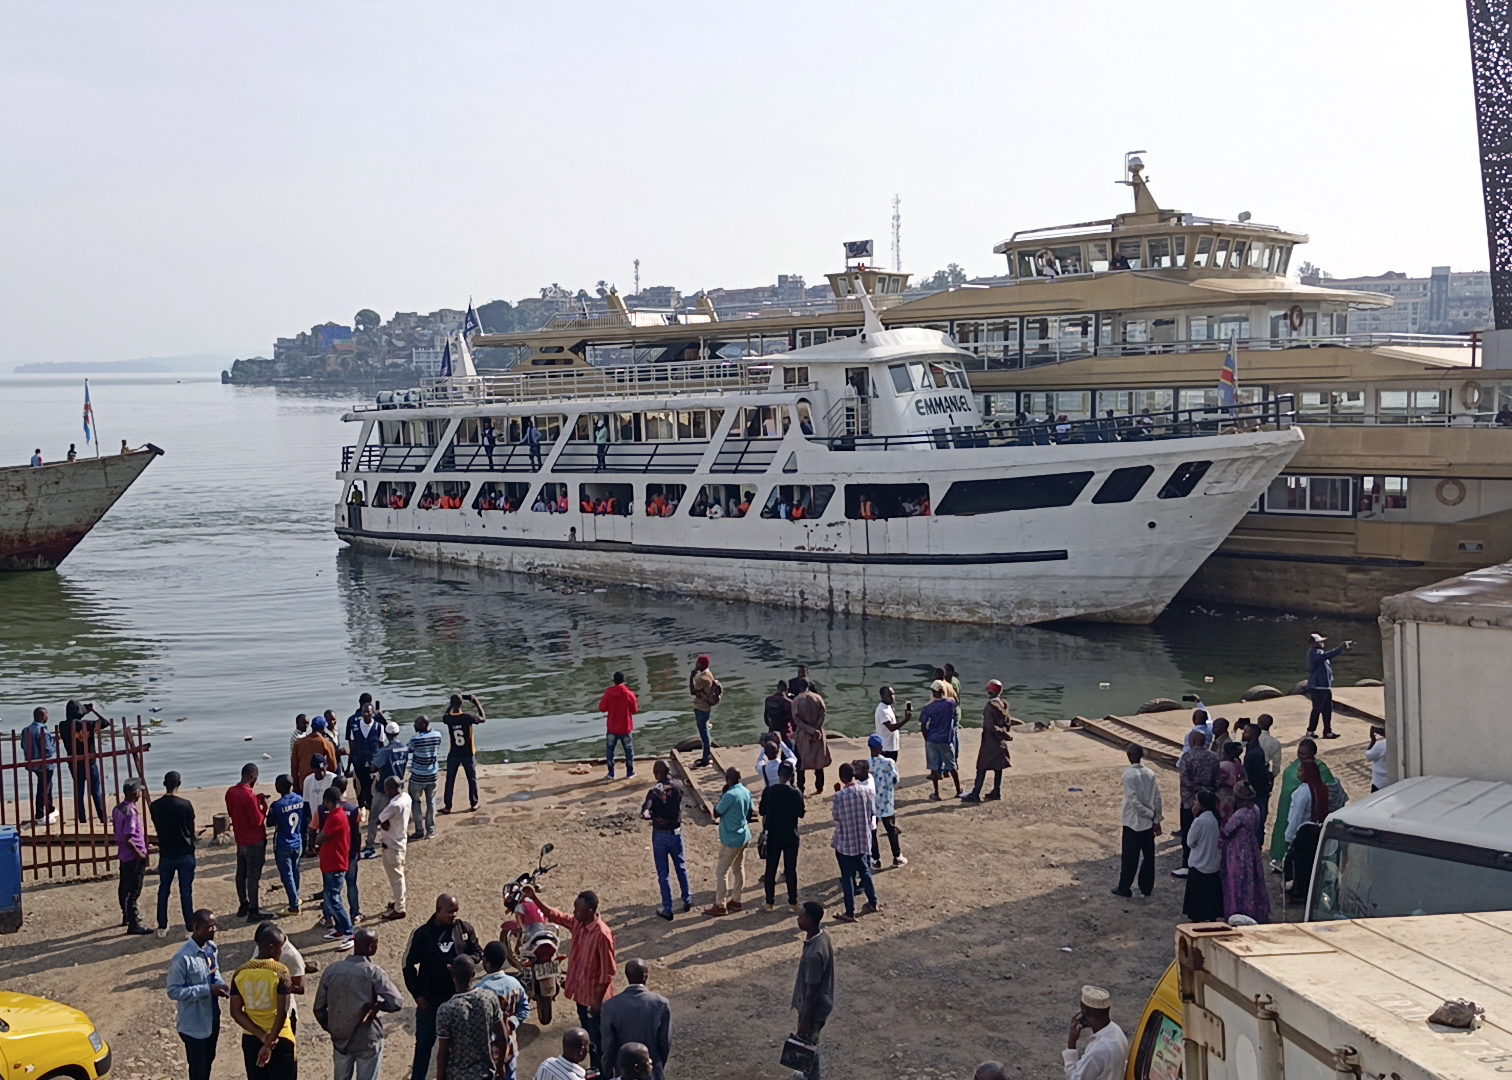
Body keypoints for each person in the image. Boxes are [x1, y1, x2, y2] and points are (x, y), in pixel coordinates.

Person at [525, 883, 617, 1075]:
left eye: (578, 910)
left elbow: (608, 972)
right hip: (581, 996)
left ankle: (602, 1072)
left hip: (594, 1001)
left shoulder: (602, 934)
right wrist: (534, 898)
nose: (574, 913)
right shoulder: (578, 923)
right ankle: (595, 1070)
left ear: (590, 911)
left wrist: (598, 1002)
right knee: (588, 1036)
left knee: (597, 1042)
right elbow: (555, 915)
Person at [404, 894, 484, 1080]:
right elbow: (408, 965)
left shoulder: (464, 929)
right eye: (450, 912)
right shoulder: (423, 934)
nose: (454, 915)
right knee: (424, 1045)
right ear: (438, 910)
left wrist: (464, 963)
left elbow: (477, 952)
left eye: (456, 911)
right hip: (430, 1002)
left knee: (458, 1046)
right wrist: (417, 995)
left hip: (457, 1001)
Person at [314, 927, 404, 1080]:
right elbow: (396, 1002)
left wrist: (332, 1027)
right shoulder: (373, 972)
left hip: (340, 1039)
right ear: (371, 947)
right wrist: (379, 1006)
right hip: (367, 1039)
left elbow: (318, 1008)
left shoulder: (331, 970)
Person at [168, 909, 229, 1080]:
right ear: (196, 928)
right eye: (210, 927)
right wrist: (207, 989)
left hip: (211, 1017)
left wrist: (221, 985)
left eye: (215, 925)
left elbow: (214, 972)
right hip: (193, 1024)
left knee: (209, 1060)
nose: (214, 929)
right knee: (197, 1068)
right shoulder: (183, 958)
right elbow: (173, 991)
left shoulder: (211, 948)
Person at [230, 923, 295, 1080]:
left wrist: (261, 1036)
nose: (281, 952)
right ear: (272, 947)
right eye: (281, 948)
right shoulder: (281, 972)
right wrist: (268, 1043)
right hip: (280, 1037)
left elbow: (235, 1011)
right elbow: (282, 1012)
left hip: (251, 1038)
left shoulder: (239, 973)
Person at [435, 955, 509, 1080]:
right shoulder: (489, 998)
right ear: (473, 974)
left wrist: (440, 1077)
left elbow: (443, 1054)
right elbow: (503, 1035)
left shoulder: (446, 1010)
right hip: (486, 1073)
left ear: (453, 976)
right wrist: (501, 1065)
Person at [1268, 737, 1337, 867]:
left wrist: (1289, 838)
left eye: (1304, 753)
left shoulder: (1317, 773)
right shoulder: (1295, 768)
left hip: (1305, 825)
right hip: (1288, 810)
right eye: (1299, 752)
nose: (1300, 756)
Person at [599, 959, 671, 1080]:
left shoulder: (610, 1006)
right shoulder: (661, 1003)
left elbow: (608, 1045)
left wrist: (607, 1071)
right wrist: (657, 1065)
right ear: (646, 976)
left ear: (627, 977)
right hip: (652, 1072)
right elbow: (665, 1043)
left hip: (624, 1072)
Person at [639, 761, 692, 921]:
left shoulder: (654, 791)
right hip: (676, 832)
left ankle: (667, 908)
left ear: (657, 774)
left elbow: (644, 813)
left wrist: (653, 815)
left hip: (660, 835)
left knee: (664, 874)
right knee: (681, 867)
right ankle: (687, 898)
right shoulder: (679, 785)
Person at [830, 762, 879, 923]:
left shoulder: (839, 796)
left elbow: (836, 816)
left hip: (846, 841)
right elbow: (872, 812)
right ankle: (873, 902)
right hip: (863, 838)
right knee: (865, 871)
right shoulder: (867, 792)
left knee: (847, 877)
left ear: (841, 777)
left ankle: (850, 912)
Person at [226, 763, 274, 923]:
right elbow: (258, 820)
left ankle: (243, 904)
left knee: (241, 872)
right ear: (252, 776)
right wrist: (264, 808)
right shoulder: (248, 796)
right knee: (253, 875)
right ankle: (254, 909)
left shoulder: (231, 792)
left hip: (241, 839)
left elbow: (233, 812)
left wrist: (256, 800)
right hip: (254, 840)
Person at [1112, 744, 1162, 899]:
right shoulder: (1150, 773)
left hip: (1133, 822)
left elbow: (1133, 801)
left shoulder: (1128, 775)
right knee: (1148, 857)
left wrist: (1148, 814)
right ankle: (1146, 887)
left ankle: (1124, 887)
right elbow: (1157, 797)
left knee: (1129, 858)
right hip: (1148, 824)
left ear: (1129, 756)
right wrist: (1156, 817)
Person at [791, 901, 834, 1080]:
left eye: (801, 917)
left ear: (810, 921)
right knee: (810, 1044)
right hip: (821, 1004)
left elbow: (811, 992)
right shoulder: (822, 937)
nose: (798, 919)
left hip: (814, 1010)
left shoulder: (814, 953)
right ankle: (806, 1073)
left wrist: (805, 1022)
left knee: (810, 1044)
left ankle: (812, 1076)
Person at [479, 942, 531, 1080]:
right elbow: (525, 1008)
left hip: (489, 1053)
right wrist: (513, 1022)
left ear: (485, 961)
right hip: (510, 1048)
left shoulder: (480, 989)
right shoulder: (514, 984)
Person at [705, 766, 753, 916]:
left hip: (730, 839)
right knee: (739, 868)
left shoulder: (730, 795)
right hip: (743, 835)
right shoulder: (746, 791)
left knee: (721, 872)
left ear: (728, 779)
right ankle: (736, 900)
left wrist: (723, 794)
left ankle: (720, 904)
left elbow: (716, 812)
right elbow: (750, 813)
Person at [1221, 782, 1271, 923]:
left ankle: (1237, 910)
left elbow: (1227, 831)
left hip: (1238, 850)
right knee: (1251, 879)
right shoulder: (1255, 809)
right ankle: (1254, 909)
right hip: (1251, 847)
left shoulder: (1240, 814)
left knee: (1236, 881)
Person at [1173, 730, 1219, 879]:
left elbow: (1185, 779)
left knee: (1188, 833)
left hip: (1189, 801)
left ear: (1192, 742)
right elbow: (1218, 779)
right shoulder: (1214, 757)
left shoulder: (1188, 757)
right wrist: (1207, 789)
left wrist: (1199, 789)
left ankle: (1187, 864)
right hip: (1209, 799)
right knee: (1208, 832)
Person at [760, 761, 805, 911]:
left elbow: (761, 811)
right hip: (791, 834)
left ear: (778, 774)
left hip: (773, 834)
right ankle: (793, 902)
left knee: (770, 868)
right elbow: (801, 813)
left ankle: (769, 902)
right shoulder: (796, 792)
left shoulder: (769, 791)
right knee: (790, 869)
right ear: (791, 776)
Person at [1283, 759, 1330, 901]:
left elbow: (1296, 816)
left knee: (1299, 866)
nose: (1298, 773)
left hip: (1302, 833)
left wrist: (1289, 837)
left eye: (1300, 771)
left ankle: (1299, 891)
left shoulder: (1302, 793)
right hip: (1316, 831)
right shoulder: (1320, 787)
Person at [111, 777, 152, 935]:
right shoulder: (130, 812)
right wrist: (140, 854)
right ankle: (133, 922)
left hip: (123, 855)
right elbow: (128, 837)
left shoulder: (118, 808)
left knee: (124, 886)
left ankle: (127, 915)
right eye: (139, 791)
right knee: (133, 889)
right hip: (132, 856)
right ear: (135, 793)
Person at [316, 787, 356, 948]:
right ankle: (339, 929)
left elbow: (321, 838)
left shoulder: (335, 817)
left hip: (336, 863)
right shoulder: (338, 815)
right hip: (331, 863)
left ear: (327, 801)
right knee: (331, 897)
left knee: (334, 899)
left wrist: (318, 840)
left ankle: (349, 932)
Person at [1063, 985, 1128, 1080]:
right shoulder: (1117, 1031)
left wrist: (1071, 1044)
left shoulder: (1097, 1052)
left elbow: (1074, 1078)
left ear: (1085, 1012)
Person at [962, 679, 1012, 802]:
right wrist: (1004, 734)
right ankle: (996, 791)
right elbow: (1008, 723)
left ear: (990, 692)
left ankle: (976, 793)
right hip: (1001, 742)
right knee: (998, 767)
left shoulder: (990, 707)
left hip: (989, 742)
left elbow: (989, 726)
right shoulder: (1004, 705)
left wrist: (999, 732)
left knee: (982, 767)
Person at [59, 700, 108, 821]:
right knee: (95, 790)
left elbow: (73, 719)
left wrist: (84, 711)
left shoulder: (63, 726)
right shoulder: (87, 725)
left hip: (74, 763)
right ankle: (102, 816)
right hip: (89, 762)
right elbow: (105, 723)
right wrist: (93, 710)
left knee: (79, 791)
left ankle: (82, 818)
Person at [368, 720, 410, 852]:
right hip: (399, 787)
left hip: (385, 788)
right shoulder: (405, 748)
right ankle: (398, 839)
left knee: (374, 816)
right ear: (398, 733)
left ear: (386, 734)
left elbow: (374, 767)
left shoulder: (385, 751)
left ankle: (370, 843)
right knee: (397, 816)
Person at [441, 693, 486, 814]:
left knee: (450, 780)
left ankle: (447, 806)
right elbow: (483, 718)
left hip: (454, 753)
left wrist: (451, 705)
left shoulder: (448, 719)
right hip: (468, 753)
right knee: (471, 779)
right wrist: (476, 701)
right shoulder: (468, 717)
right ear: (462, 704)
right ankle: (474, 803)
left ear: (451, 704)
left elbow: (444, 715)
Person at [1183, 790, 1223, 921]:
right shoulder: (1215, 818)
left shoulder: (1199, 821)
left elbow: (1190, 842)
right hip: (1213, 865)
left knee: (1197, 903)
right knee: (1210, 900)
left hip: (1199, 865)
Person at [268, 774, 305, 917]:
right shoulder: (300, 799)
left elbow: (270, 823)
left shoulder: (278, 805)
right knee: (295, 870)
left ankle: (294, 905)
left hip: (283, 843)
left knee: (287, 875)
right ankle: (296, 896)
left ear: (279, 787)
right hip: (297, 840)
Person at [866, 736, 905, 868]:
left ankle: (875, 860)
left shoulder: (866, 764)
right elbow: (896, 780)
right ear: (881, 748)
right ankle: (897, 857)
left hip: (871, 803)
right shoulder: (889, 763)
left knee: (872, 831)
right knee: (891, 829)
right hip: (887, 802)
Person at [919, 681, 961, 801]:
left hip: (932, 739)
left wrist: (927, 738)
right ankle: (958, 790)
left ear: (933, 692)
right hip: (946, 740)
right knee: (952, 766)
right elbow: (955, 699)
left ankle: (936, 793)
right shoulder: (950, 703)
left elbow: (923, 725)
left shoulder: (928, 707)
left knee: (934, 768)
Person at [1306, 633, 1353, 739]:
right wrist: (1339, 648)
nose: (1323, 643)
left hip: (1325, 687)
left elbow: (1326, 657)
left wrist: (1342, 649)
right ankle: (1310, 731)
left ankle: (1327, 731)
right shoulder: (1314, 653)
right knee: (1317, 709)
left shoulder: (1320, 653)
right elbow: (1326, 656)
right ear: (1314, 643)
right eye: (1320, 642)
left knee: (1327, 709)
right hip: (1317, 687)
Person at [378, 775, 413, 920]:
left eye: (388, 788)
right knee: (399, 875)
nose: (386, 790)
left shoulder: (394, 805)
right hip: (400, 841)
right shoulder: (406, 797)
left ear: (393, 788)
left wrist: (383, 823)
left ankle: (400, 908)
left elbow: (379, 819)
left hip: (392, 845)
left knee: (396, 878)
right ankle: (400, 902)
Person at [20, 706, 57, 826]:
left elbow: (23, 745)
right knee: (43, 789)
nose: (48, 717)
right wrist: (55, 743)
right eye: (46, 715)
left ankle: (50, 809)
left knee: (47, 786)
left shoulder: (26, 730)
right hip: (44, 765)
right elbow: (47, 751)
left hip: (33, 763)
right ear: (42, 716)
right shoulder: (44, 732)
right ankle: (40, 815)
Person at [791, 682, 830, 794]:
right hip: (818, 734)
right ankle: (819, 786)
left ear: (799, 687)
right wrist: (816, 729)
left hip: (803, 734)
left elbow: (797, 720)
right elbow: (823, 714)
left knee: (801, 763)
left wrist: (809, 730)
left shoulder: (797, 700)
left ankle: (800, 788)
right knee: (819, 761)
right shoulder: (818, 698)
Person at [408, 714, 443, 839]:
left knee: (415, 802)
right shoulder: (437, 736)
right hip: (432, 775)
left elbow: (408, 750)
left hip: (418, 776)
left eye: (416, 723)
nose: (414, 725)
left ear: (423, 724)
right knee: (431, 802)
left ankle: (419, 831)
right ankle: (431, 829)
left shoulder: (415, 740)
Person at [599, 672, 638, 781]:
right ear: (624, 680)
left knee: (610, 750)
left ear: (614, 681)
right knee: (628, 750)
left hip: (612, 727)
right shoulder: (629, 694)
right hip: (626, 727)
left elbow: (602, 708)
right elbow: (634, 710)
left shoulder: (608, 693)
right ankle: (630, 772)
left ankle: (611, 773)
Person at [291, 715, 339, 793]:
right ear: (323, 728)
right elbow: (333, 766)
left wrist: (295, 786)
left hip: (304, 782)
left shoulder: (299, 743)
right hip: (321, 782)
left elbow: (294, 766)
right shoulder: (326, 743)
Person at [1241, 722, 1274, 835]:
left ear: (1253, 734)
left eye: (1246, 732)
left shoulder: (1255, 753)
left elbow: (1260, 774)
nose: (1243, 734)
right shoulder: (1250, 747)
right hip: (1253, 788)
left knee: (1258, 819)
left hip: (1257, 791)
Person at [688, 656, 721, 768]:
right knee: (705, 732)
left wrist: (691, 677)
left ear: (701, 665)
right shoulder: (709, 674)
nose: (696, 664)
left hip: (701, 708)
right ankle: (707, 756)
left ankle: (705, 759)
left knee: (704, 734)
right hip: (705, 708)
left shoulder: (703, 678)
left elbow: (692, 691)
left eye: (698, 663)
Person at [301, 754, 335, 851]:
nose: (322, 773)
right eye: (318, 771)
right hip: (315, 816)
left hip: (328, 816)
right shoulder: (308, 780)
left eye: (323, 769)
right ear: (313, 770)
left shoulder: (332, 778)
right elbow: (306, 802)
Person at [872, 686, 903, 762]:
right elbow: (891, 728)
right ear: (883, 696)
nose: (892, 697)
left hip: (892, 746)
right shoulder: (882, 710)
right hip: (886, 748)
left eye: (893, 694)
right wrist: (906, 719)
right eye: (889, 695)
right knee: (887, 769)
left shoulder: (889, 706)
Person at [1256, 714, 1283, 781]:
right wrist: (1273, 776)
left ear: (1260, 723)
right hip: (1264, 770)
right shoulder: (1275, 742)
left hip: (1250, 767)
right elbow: (1276, 763)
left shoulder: (1252, 736)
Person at [1366, 726, 1390, 792]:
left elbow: (1368, 755)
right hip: (1393, 783)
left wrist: (1373, 740)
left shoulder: (1380, 745)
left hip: (1379, 783)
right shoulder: (1400, 743)